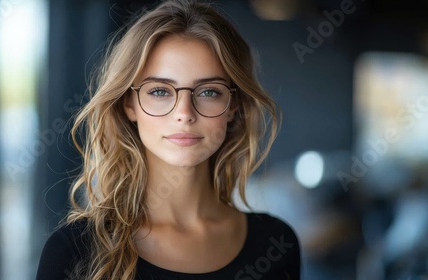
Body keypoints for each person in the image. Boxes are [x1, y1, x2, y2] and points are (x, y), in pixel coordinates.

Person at [36, 0, 300, 279]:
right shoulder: (75, 251)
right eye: (160, 91)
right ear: (129, 104)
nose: (184, 114)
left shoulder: (277, 242)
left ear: (233, 105)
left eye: (208, 92)